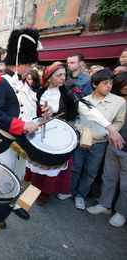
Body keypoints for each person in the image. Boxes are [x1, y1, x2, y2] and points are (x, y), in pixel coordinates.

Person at [24, 65, 123, 205]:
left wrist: (110, 128)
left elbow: (89, 110)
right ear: (48, 77)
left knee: (51, 168)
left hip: (60, 137)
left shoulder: (69, 93)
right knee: (38, 165)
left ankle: (44, 193)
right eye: (59, 75)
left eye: (64, 75)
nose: (63, 78)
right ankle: (32, 192)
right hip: (40, 134)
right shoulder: (39, 93)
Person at [0, 28, 52, 221]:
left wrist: (42, 112)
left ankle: (13, 204)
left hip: (22, 142)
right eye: (28, 63)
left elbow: (27, 109)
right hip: (5, 141)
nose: (31, 67)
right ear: (20, 62)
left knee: (18, 176)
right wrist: (21, 126)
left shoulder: (24, 84)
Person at [69, 70, 126, 210]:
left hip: (100, 142)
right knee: (75, 167)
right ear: (94, 84)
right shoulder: (85, 100)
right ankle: (69, 191)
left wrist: (109, 132)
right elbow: (77, 118)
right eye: (105, 83)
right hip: (81, 139)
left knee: (91, 171)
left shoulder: (119, 102)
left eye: (111, 83)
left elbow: (119, 122)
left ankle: (81, 195)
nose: (109, 86)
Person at [86, 72, 127, 227]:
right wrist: (111, 132)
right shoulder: (117, 100)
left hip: (124, 147)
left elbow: (118, 122)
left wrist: (113, 130)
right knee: (108, 177)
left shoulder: (118, 102)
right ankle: (105, 204)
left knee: (125, 185)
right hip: (112, 144)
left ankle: (122, 213)